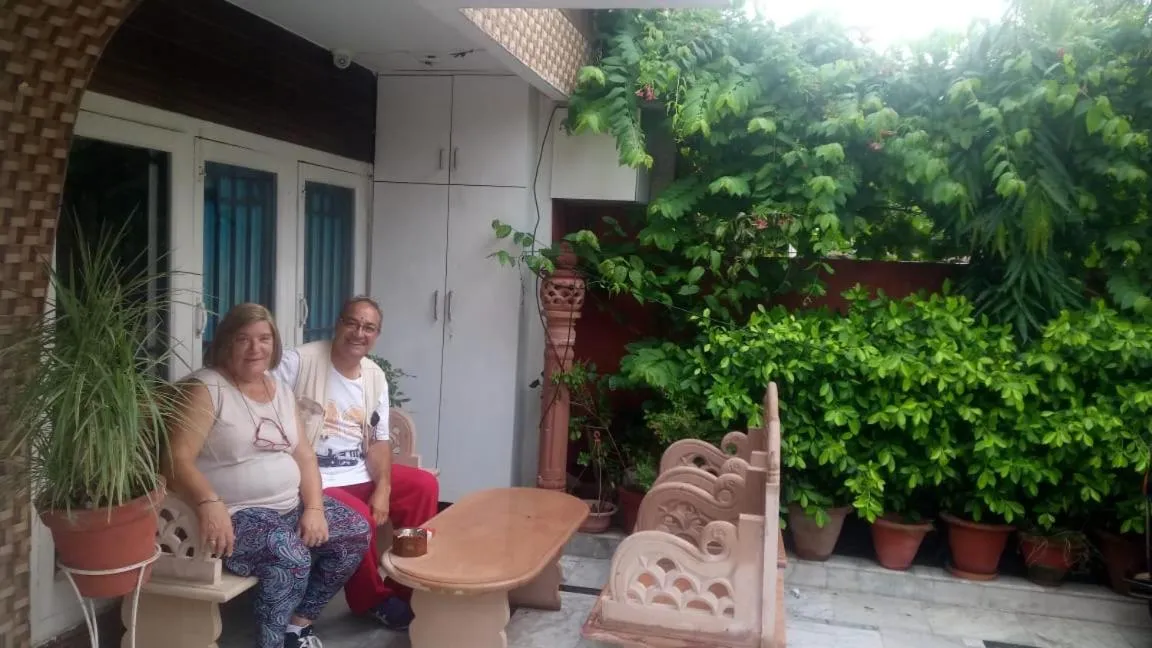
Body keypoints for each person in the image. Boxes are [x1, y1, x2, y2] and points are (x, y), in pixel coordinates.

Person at [166, 303, 370, 648]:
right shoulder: (207, 389)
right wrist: (209, 501)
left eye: (264, 339)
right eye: (243, 339)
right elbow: (175, 459)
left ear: (274, 344)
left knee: (354, 532)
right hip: (235, 515)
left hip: (287, 507)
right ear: (226, 342)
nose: (255, 348)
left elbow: (304, 455)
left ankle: (297, 627)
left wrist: (315, 508)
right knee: (290, 556)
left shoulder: (279, 389)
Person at [272, 296, 439, 631]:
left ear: (376, 335)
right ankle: (371, 600)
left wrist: (383, 488)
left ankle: (406, 589)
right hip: (310, 479)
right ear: (338, 323)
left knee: (423, 485)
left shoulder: (374, 376)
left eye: (369, 327)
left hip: (356, 470)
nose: (359, 333)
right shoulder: (297, 362)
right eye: (352, 323)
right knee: (358, 516)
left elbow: (378, 441)